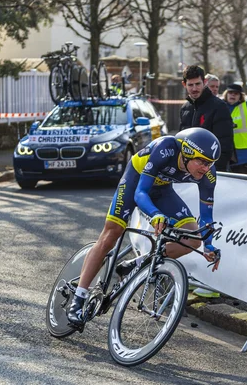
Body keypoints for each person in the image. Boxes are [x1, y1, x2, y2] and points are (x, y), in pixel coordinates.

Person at [67, 128, 222, 326]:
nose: (206, 168)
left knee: (194, 238)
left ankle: (138, 263)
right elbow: (140, 193)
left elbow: (207, 216)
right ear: (187, 153)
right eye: (202, 162)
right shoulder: (164, 148)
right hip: (136, 181)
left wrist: (209, 245)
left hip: (163, 189)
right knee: (111, 234)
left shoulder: (208, 175)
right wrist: (156, 214)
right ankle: (78, 298)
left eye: (210, 164)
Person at [179, 65, 234, 172]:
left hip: (210, 170)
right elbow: (181, 142)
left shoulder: (219, 106)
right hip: (187, 171)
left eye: (198, 84)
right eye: (190, 85)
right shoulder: (185, 108)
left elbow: (224, 144)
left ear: (204, 82)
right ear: (184, 84)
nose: (194, 89)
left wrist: (213, 171)